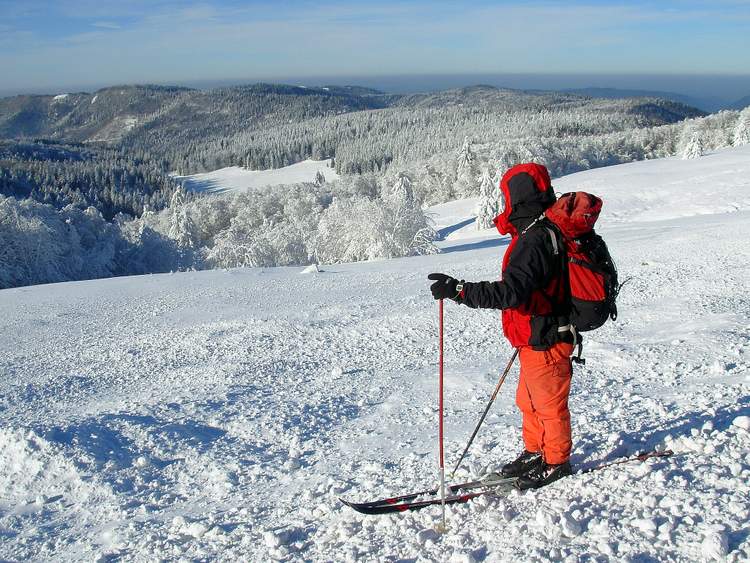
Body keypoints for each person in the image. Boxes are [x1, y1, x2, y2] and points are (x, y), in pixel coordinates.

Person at [428, 162, 575, 490]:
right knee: (529, 401)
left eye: (507, 196)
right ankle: (536, 452)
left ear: (518, 198)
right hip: (536, 334)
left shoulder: (536, 239)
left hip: (548, 336)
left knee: (549, 405)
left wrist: (459, 290)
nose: (504, 203)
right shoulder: (540, 232)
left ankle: (556, 463)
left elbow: (510, 293)